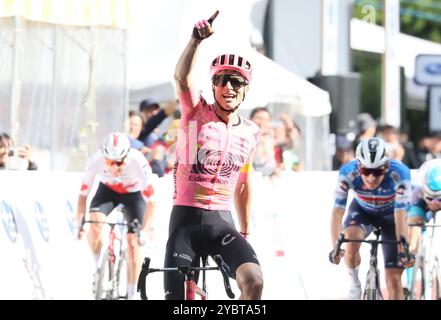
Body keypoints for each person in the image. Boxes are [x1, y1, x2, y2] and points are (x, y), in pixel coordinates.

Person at [164, 10, 263, 300]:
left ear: (245, 89)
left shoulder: (251, 132)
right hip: (185, 220)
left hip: (222, 221)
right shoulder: (196, 112)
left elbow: (243, 185)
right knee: (180, 302)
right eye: (222, 81)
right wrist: (195, 42)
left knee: (254, 282)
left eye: (236, 82)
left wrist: (244, 231)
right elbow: (181, 78)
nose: (229, 87)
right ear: (213, 85)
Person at [329, 137, 414, 300]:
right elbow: (337, 211)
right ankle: (354, 285)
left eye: (378, 171)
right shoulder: (348, 172)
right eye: (366, 171)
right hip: (363, 212)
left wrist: (404, 249)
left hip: (392, 219)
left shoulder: (400, 173)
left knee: (394, 282)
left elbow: (401, 214)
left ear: (387, 166)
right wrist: (335, 246)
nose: (371, 177)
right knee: (351, 239)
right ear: (358, 166)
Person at [76, 132, 154, 300]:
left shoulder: (138, 162)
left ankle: (132, 292)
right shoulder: (95, 160)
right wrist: (80, 223)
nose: (114, 166)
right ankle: (98, 267)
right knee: (94, 225)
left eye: (119, 162)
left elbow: (152, 202)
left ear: (127, 155)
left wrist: (145, 231)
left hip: (133, 195)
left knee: (133, 244)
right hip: (108, 191)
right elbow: (83, 195)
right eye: (109, 161)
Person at [407, 159, 441, 255]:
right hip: (419, 199)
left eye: (440, 200)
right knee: (414, 226)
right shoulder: (416, 189)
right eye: (430, 198)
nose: (435, 203)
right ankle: (411, 262)